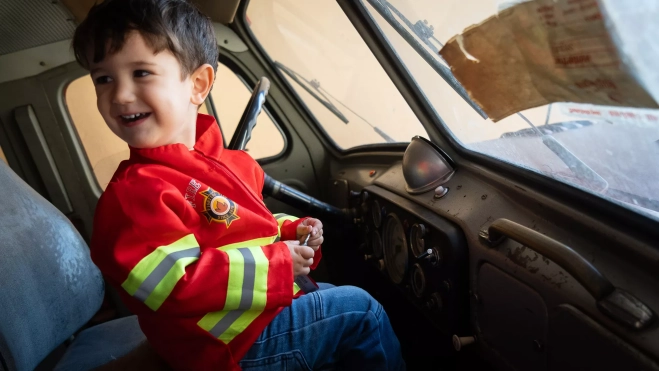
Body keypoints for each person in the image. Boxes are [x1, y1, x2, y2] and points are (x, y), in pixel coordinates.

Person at [72, 0, 405, 369]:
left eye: (141, 73)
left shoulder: (221, 163)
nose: (119, 95)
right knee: (362, 312)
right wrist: (279, 264)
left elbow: (245, 232)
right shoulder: (134, 196)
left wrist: (291, 231)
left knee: (330, 295)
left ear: (198, 85)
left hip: (256, 318)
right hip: (227, 348)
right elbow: (177, 286)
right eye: (104, 78)